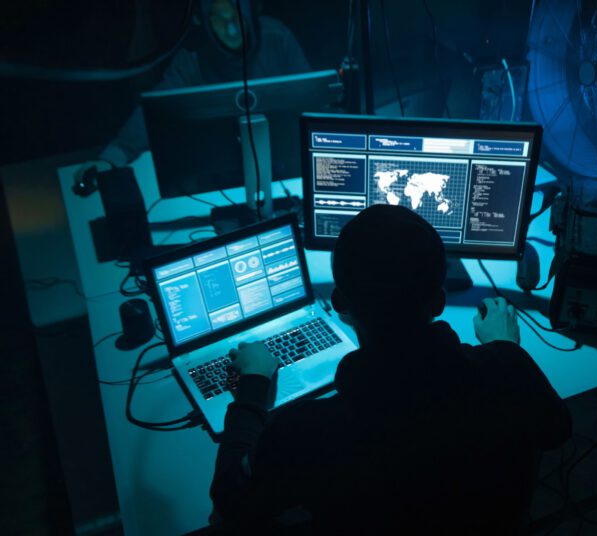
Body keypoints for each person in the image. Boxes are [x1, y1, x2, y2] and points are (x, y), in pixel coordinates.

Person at [210, 205, 572, 534]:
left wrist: (254, 384)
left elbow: (230, 499)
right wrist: (505, 349)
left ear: (339, 304)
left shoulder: (304, 430)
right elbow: (557, 431)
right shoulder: (509, 369)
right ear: (440, 300)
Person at [75, 0, 309, 178]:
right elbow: (156, 109)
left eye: (235, 16)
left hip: (285, 171)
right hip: (220, 181)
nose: (230, 29)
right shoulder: (193, 59)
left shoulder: (277, 38)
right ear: (205, 22)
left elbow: (311, 98)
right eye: (219, 19)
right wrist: (112, 158)